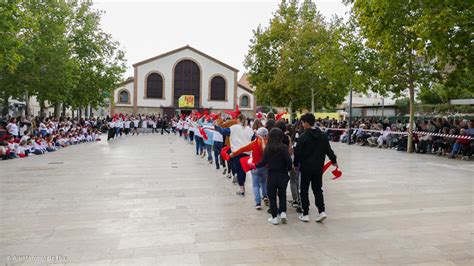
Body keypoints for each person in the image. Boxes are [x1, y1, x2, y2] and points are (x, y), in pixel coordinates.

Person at [294, 113, 337, 223]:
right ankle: (321, 211)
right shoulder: (322, 135)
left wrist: (295, 164)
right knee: (318, 189)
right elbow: (328, 149)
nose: (302, 125)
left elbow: (297, 152)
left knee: (304, 189)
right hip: (318, 168)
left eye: (303, 123)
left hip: (306, 168)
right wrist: (334, 161)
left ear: (307, 123)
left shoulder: (303, 136)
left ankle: (305, 214)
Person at [252, 128, 292, 225]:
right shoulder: (283, 148)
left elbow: (263, 162)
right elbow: (289, 161)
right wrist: (289, 169)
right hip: (282, 174)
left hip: (271, 175)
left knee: (272, 197)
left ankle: (274, 217)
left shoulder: (268, 148)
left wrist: (255, 165)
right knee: (282, 195)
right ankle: (283, 213)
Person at [231, 127, 269, 210]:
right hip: (265, 166)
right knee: (264, 182)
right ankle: (265, 195)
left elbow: (243, 149)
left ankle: (258, 203)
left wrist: (233, 153)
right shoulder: (268, 143)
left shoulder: (254, 143)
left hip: (255, 166)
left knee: (255, 185)